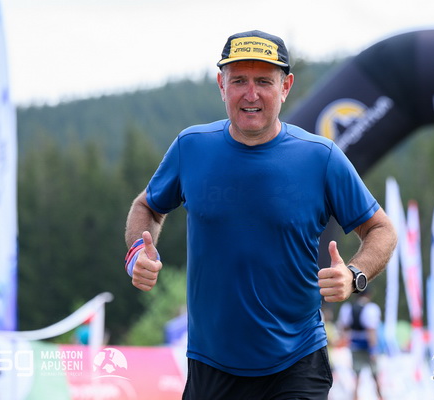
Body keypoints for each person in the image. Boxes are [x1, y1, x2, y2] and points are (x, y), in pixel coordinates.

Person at [124, 30, 397, 400]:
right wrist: (136, 254)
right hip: (211, 363)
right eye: (239, 80)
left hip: (297, 362)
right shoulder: (191, 147)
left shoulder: (321, 157)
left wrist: (354, 275)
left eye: (264, 82)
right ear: (221, 85)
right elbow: (147, 207)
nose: (250, 94)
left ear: (285, 87)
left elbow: (381, 229)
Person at [337, 288, 384, 400]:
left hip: (354, 344)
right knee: (375, 374)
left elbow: (344, 327)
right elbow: (371, 331)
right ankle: (380, 397)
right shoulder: (371, 308)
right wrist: (374, 349)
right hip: (367, 345)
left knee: (357, 374)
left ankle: (355, 397)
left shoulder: (348, 308)